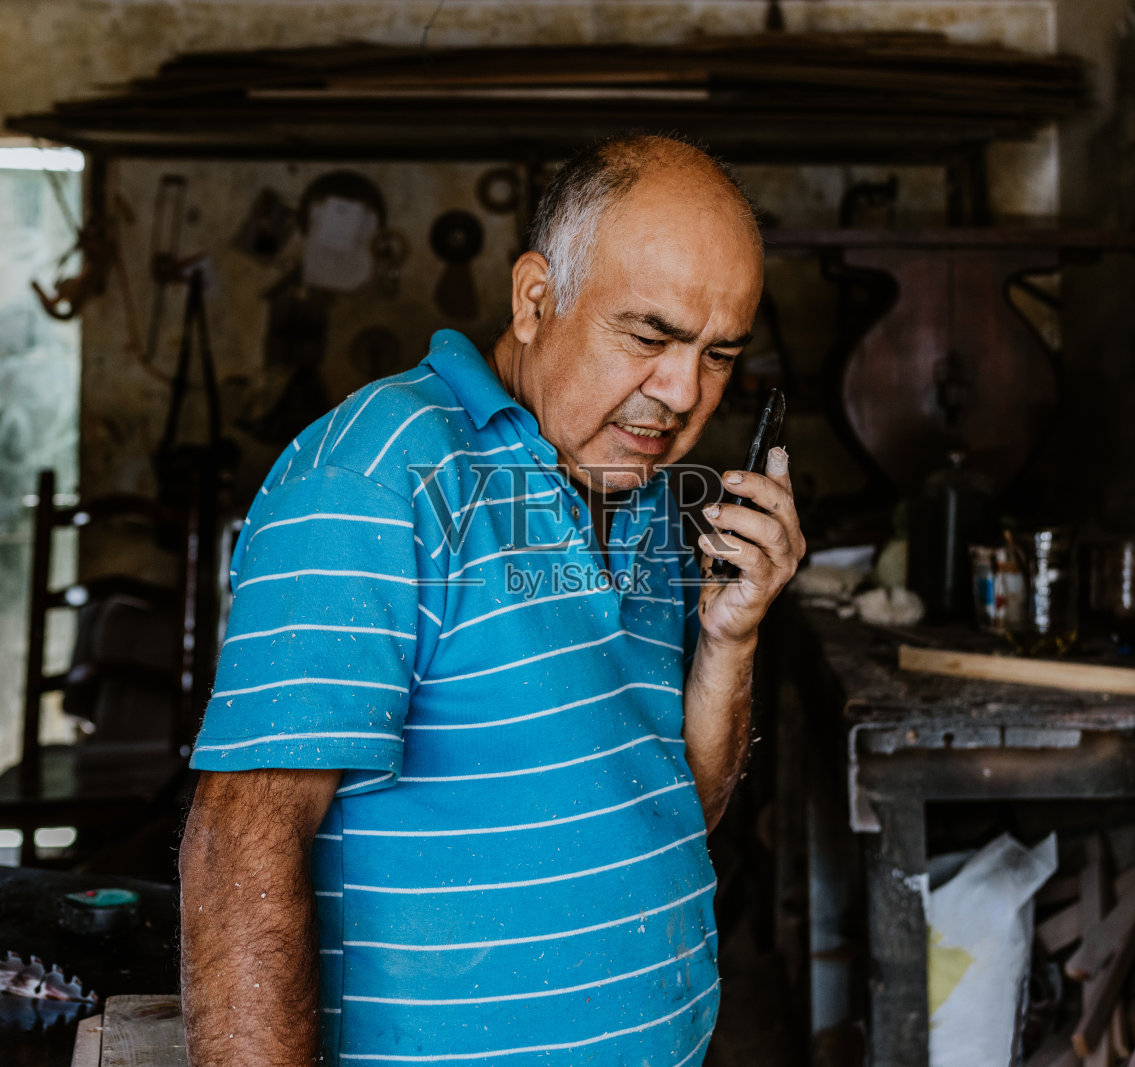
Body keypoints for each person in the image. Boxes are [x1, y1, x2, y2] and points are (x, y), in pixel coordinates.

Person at [180, 133, 805, 1066]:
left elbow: (671, 809)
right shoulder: (378, 476)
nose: (681, 393)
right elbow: (240, 854)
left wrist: (730, 638)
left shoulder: (643, 498)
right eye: (649, 336)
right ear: (535, 299)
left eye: (719, 355)